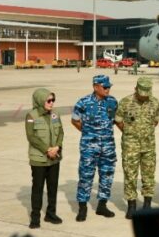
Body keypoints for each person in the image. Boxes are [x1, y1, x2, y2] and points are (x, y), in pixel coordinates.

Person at [71, 74, 118, 221]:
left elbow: (115, 120)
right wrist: (88, 133)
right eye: (105, 87)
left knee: (107, 175)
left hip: (108, 146)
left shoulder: (112, 102)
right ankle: (82, 208)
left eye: (109, 86)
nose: (107, 89)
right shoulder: (83, 103)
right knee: (86, 176)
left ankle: (102, 206)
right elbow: (75, 120)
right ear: (95, 87)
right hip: (89, 147)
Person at [115, 77, 159, 219]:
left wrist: (144, 132)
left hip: (149, 145)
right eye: (141, 93)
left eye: (146, 93)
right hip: (130, 145)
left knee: (148, 175)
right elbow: (118, 121)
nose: (144, 96)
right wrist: (130, 132)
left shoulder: (154, 102)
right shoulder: (125, 102)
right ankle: (132, 205)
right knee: (130, 175)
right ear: (136, 89)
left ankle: (147, 204)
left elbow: (156, 120)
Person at [25, 88, 64, 228]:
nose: (51, 103)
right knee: (38, 188)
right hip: (39, 159)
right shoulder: (31, 116)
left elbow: (60, 133)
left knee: (53, 187)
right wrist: (47, 150)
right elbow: (31, 137)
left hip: (55, 158)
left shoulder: (55, 114)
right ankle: (35, 217)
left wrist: (57, 147)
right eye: (48, 100)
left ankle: (51, 214)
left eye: (53, 100)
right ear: (41, 100)